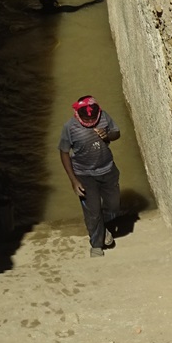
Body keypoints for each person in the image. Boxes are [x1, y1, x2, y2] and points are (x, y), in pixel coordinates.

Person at [59, 95, 121, 258]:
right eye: (87, 118)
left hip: (107, 170)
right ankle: (96, 245)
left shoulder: (103, 116)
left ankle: (102, 227)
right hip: (84, 175)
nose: (91, 121)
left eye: (93, 118)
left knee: (114, 207)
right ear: (78, 114)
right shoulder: (70, 127)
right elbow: (64, 152)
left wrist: (107, 135)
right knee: (93, 212)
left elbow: (116, 133)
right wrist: (73, 180)